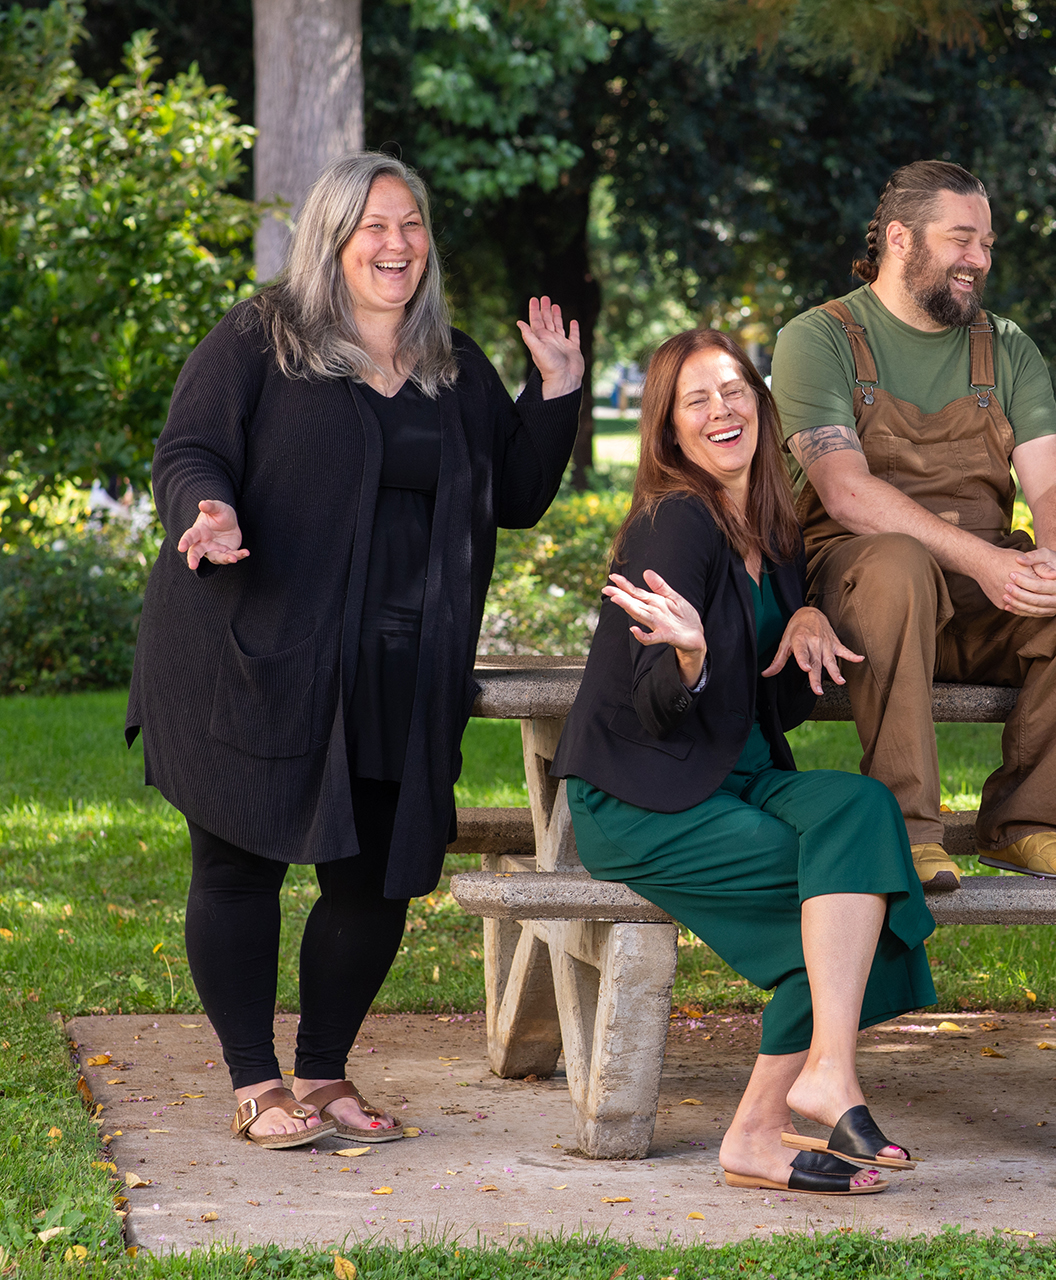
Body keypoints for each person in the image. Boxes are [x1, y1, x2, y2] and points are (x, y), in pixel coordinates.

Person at [127, 153, 584, 1149]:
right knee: (241, 862)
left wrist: (556, 389)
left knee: (376, 877)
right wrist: (204, 508)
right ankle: (257, 1084)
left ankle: (325, 1071)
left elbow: (517, 492)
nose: (396, 243)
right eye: (373, 225)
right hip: (257, 649)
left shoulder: (452, 364)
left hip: (399, 669)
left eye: (412, 224)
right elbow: (189, 447)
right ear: (331, 239)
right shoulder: (263, 338)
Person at [553, 329, 936, 1197]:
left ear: (759, 406)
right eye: (697, 400)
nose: (722, 410)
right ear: (670, 431)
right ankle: (765, 1127)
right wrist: (687, 654)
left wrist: (802, 620)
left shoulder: (773, 526)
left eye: (734, 391)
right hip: (646, 798)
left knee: (864, 813)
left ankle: (823, 1074)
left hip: (741, 779)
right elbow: (653, 699)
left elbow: (771, 693)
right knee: (853, 911)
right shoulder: (674, 521)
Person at [772, 161, 1056, 893]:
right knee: (896, 566)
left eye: (987, 243)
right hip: (859, 588)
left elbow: (1053, 484)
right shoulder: (818, 338)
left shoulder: (1006, 346)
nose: (979, 259)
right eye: (962, 239)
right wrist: (984, 559)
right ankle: (907, 830)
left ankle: (1027, 823)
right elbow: (846, 493)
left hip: (984, 597)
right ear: (899, 239)